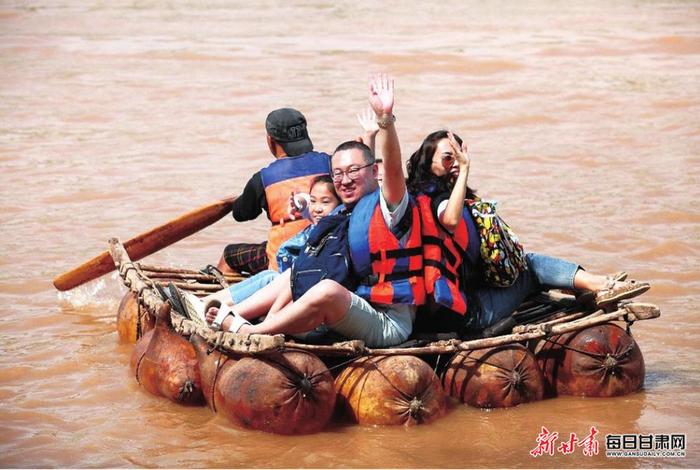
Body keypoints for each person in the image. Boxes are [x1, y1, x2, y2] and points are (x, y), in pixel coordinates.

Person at [206, 74, 424, 348]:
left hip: (387, 321)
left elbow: (388, 170)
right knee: (296, 269)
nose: (344, 180)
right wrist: (367, 138)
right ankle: (233, 314)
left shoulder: (391, 208)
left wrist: (385, 122)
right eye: (338, 174)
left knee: (327, 289)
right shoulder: (349, 208)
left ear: (375, 173)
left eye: (353, 172)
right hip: (352, 308)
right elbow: (361, 169)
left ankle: (255, 332)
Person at [406, 130, 651, 335]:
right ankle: (601, 284)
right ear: (428, 164)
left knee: (523, 267)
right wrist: (466, 169)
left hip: (453, 308)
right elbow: (449, 219)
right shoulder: (436, 199)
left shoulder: (419, 197)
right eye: (449, 158)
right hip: (467, 316)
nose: (456, 164)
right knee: (530, 267)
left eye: (460, 157)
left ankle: (584, 287)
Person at [216, 108, 331, 275]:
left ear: (270, 140)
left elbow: (241, 214)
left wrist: (242, 199)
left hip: (283, 258)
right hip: (327, 251)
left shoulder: (262, 179)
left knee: (229, 255)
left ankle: (223, 294)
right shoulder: (331, 163)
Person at [202, 175, 341, 308]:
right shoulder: (322, 220)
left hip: (296, 285)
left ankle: (217, 306)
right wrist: (303, 202)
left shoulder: (331, 232)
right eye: (313, 201)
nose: (317, 208)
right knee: (266, 276)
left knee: (264, 277)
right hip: (287, 275)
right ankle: (207, 301)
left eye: (325, 202)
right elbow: (311, 206)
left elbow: (240, 213)